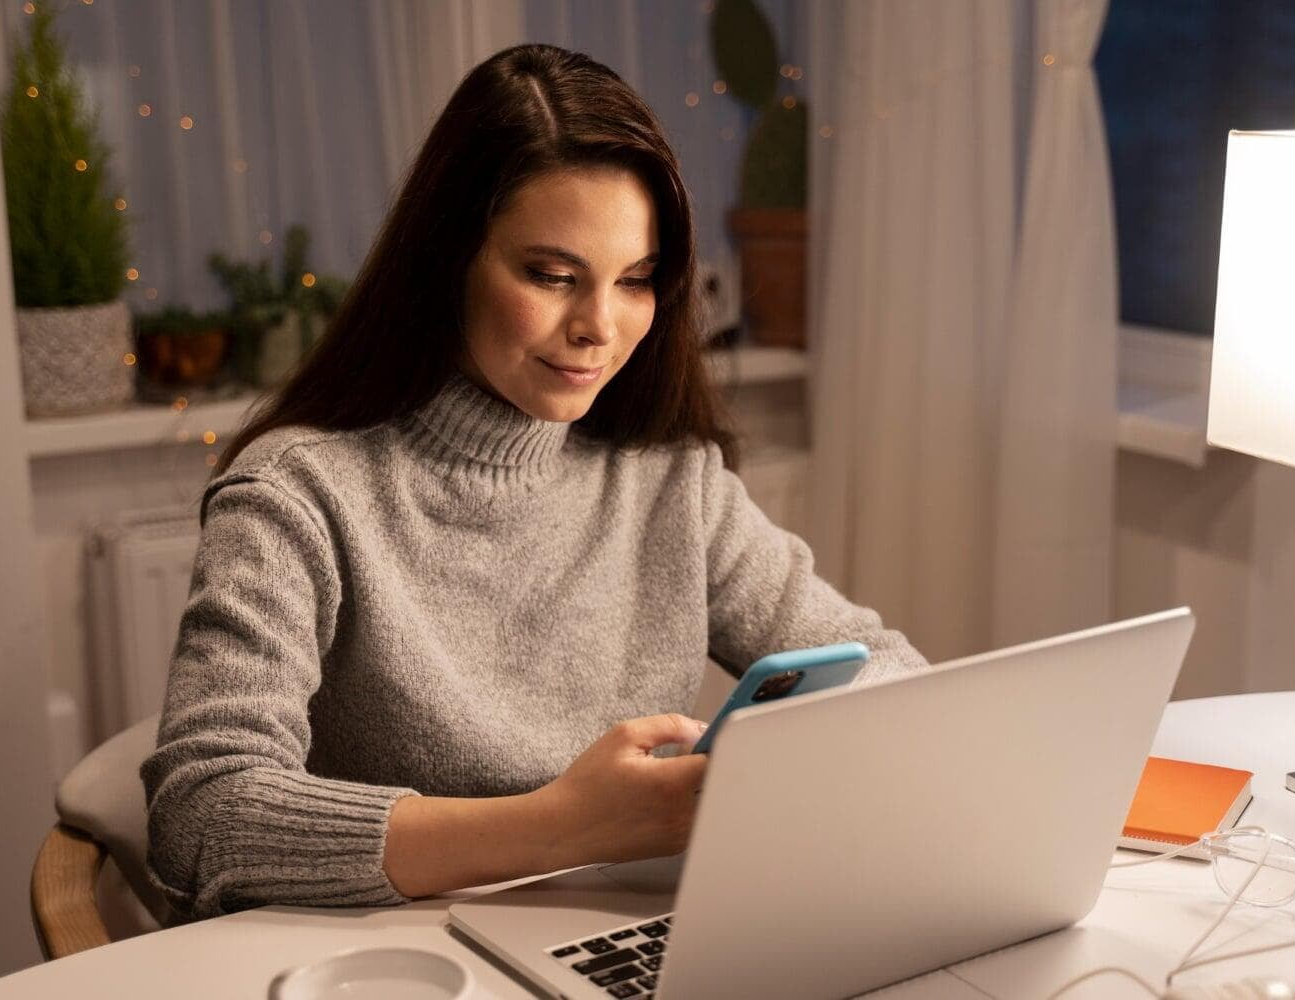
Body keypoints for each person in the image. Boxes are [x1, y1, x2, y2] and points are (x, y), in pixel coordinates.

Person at [141, 42, 926, 922]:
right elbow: (202, 815)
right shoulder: (299, 496)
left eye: (635, 281)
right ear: (449, 263)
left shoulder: (672, 481)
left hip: (599, 935)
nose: (599, 326)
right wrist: (563, 826)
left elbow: (884, 668)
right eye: (552, 276)